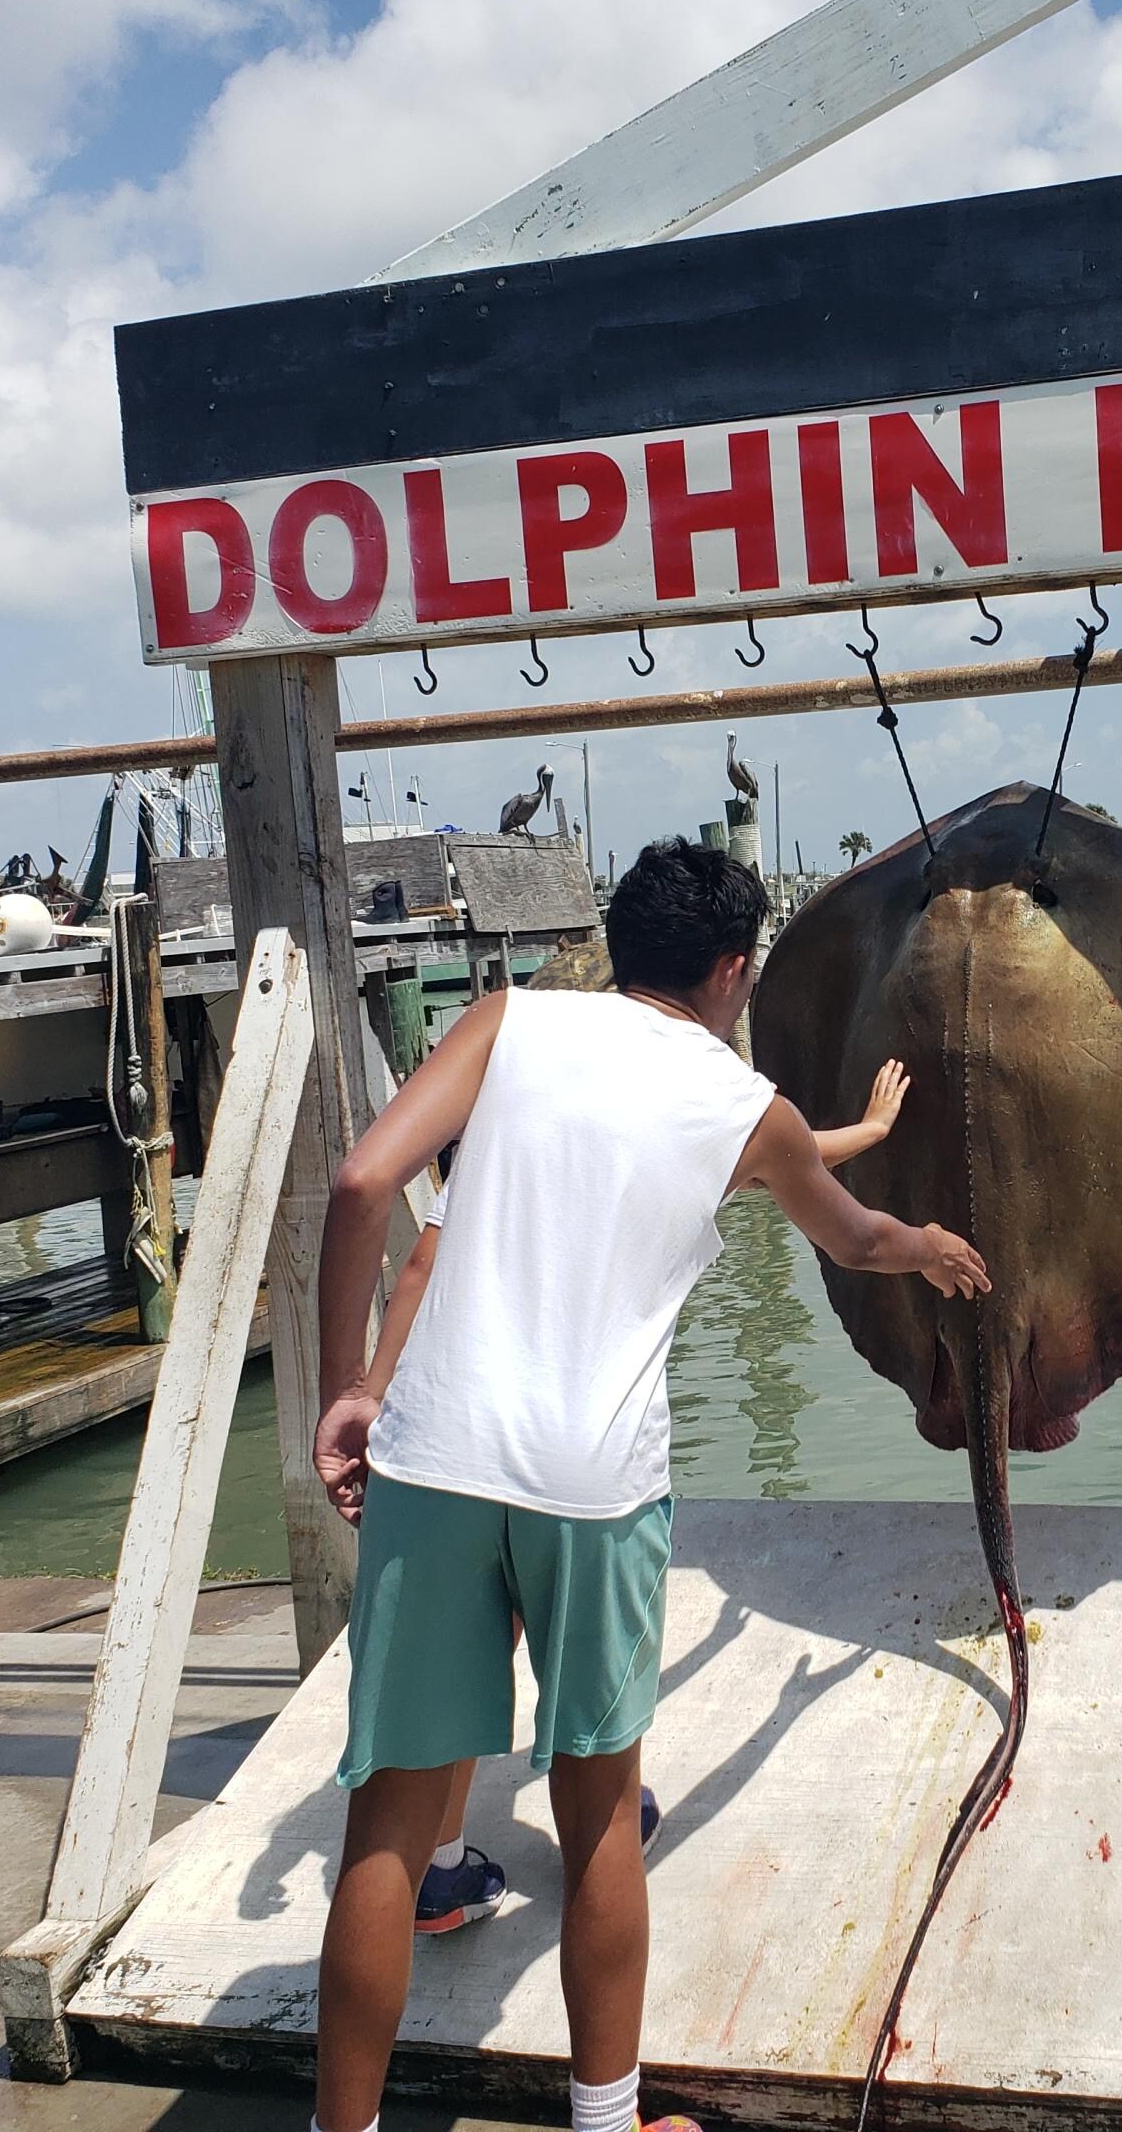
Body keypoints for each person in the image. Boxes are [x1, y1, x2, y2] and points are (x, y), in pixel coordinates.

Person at [308, 841, 987, 2132]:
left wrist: (347, 1389)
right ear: (734, 968)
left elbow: (361, 1183)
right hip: (593, 1485)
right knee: (600, 1815)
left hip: (434, 1460)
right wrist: (932, 1249)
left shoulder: (509, 1020)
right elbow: (856, 1235)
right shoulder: (740, 1102)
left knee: (389, 1828)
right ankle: (607, 2123)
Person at [368, 1061, 915, 1937]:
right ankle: (602, 1829)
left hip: (453, 1450)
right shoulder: (659, 1137)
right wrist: (876, 1133)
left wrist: (370, 1394)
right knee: (593, 1681)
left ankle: (437, 1872)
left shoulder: (498, 1148)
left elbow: (417, 1273)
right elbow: (791, 1160)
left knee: (474, 1653)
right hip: (577, 1462)